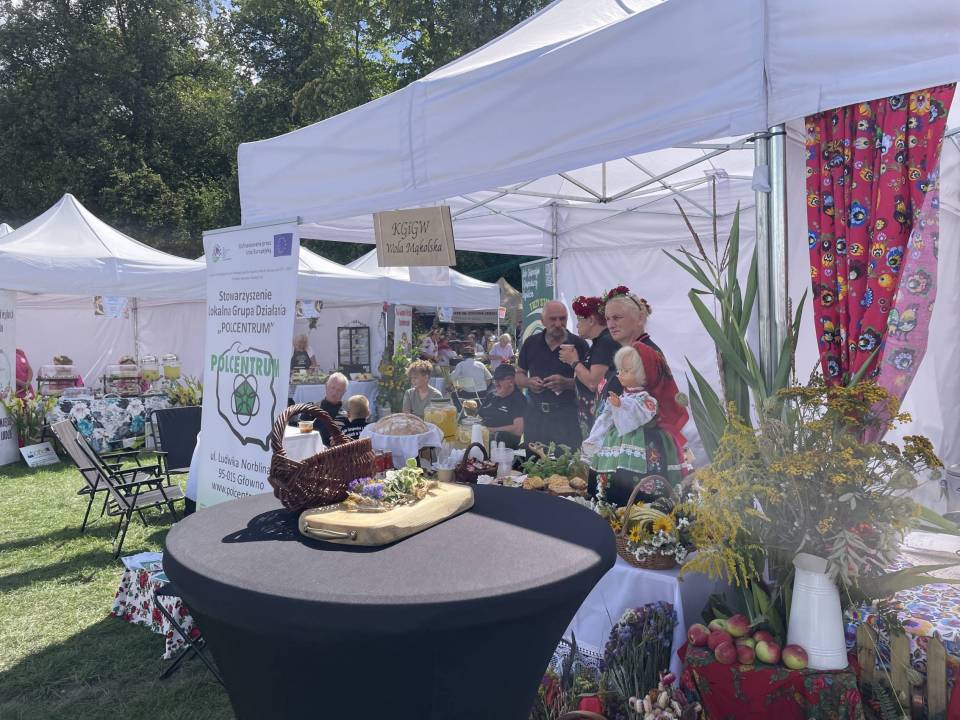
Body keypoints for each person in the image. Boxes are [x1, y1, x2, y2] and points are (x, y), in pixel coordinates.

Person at [583, 344, 687, 506]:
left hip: (643, 440)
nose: (620, 374)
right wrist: (594, 439)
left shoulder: (646, 399)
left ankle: (637, 504)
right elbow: (604, 420)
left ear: (644, 374)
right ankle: (608, 501)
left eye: (627, 371)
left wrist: (620, 405)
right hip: (617, 440)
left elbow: (637, 413)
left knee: (641, 479)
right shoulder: (621, 397)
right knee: (610, 476)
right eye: (620, 370)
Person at [516, 300, 588, 450]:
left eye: (562, 318)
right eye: (553, 319)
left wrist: (567, 383)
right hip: (535, 416)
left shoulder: (579, 344)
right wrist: (529, 382)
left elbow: (592, 383)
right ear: (542, 321)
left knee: (567, 462)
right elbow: (519, 375)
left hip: (567, 417)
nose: (558, 323)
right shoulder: (531, 343)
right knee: (533, 462)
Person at [560, 295, 620, 434]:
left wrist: (574, 361)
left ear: (592, 320)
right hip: (595, 421)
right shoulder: (599, 342)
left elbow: (594, 383)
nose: (577, 325)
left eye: (580, 319)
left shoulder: (604, 343)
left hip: (601, 424)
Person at [601, 287, 662, 397]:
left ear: (640, 318)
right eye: (607, 319)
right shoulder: (628, 352)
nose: (610, 325)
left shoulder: (646, 354)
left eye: (617, 318)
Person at [479, 363, 526, 449]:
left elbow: (518, 429)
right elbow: (480, 415)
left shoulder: (518, 399)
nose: (496, 383)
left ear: (511, 381)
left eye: (500, 380)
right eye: (495, 380)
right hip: (482, 438)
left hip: (502, 445)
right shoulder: (491, 395)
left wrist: (491, 430)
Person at [315, 372, 349, 444]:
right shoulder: (313, 410)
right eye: (332, 388)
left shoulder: (349, 411)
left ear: (344, 392)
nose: (334, 393)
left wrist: (344, 440)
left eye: (339, 390)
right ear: (326, 387)